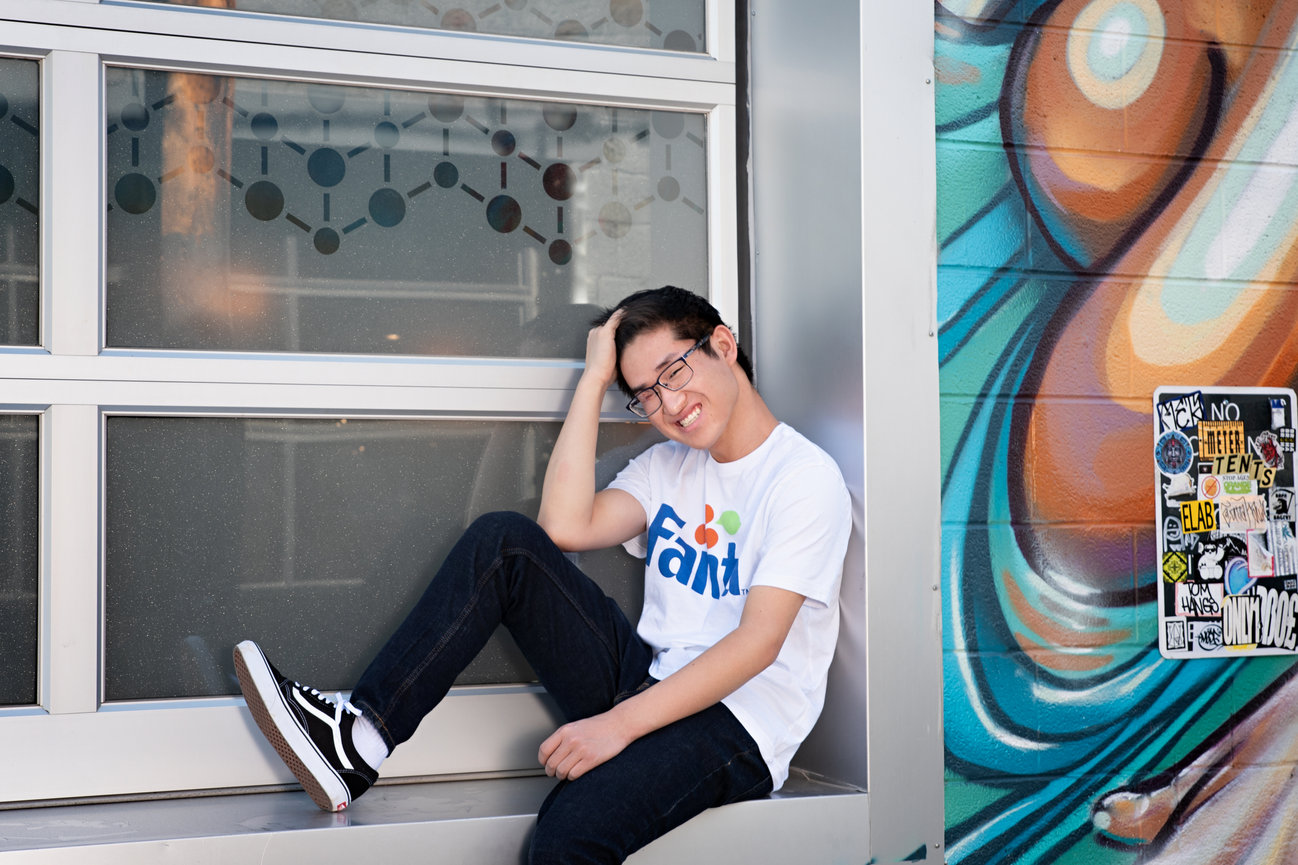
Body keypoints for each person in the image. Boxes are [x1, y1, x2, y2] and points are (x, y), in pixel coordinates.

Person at [233, 285, 851, 864]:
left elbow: (758, 643)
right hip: (650, 679)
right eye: (645, 393)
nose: (668, 405)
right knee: (504, 542)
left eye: (674, 372)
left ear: (722, 345)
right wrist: (593, 380)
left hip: (741, 722)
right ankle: (360, 741)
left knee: (567, 836)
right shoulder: (669, 465)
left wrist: (616, 727)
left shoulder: (803, 479)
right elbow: (564, 526)